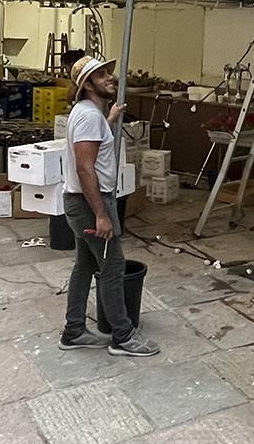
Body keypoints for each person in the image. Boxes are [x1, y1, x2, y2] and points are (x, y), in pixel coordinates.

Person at [59, 55, 160, 357]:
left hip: (81, 200)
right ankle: (123, 336)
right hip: (92, 202)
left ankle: (74, 330)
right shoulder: (89, 116)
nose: (110, 79)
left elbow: (93, 144)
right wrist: (102, 214)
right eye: (101, 76)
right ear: (87, 84)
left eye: (108, 74)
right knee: (113, 267)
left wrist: (111, 120)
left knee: (85, 265)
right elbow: (85, 168)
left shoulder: (88, 113)